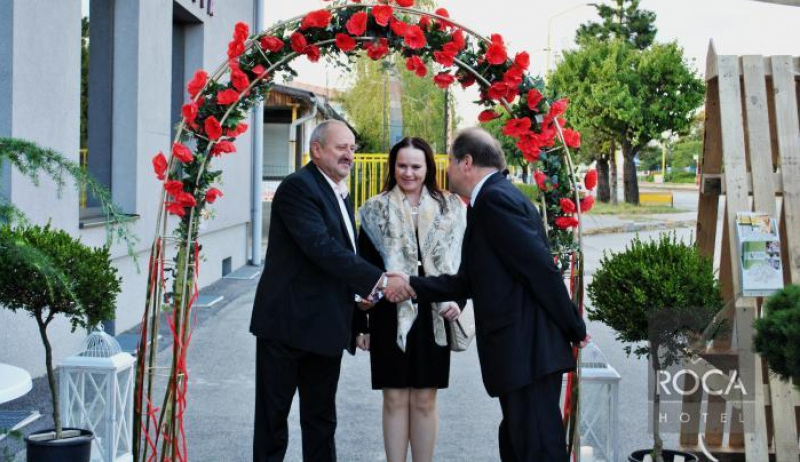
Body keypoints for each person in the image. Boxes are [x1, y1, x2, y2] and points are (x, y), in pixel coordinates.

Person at [384, 127, 590, 462]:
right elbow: (468, 281)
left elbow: (540, 269)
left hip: (528, 352)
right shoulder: (490, 199)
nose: (446, 169)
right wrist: (410, 284)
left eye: (450, 161)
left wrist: (574, 328)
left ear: (467, 162)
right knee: (517, 441)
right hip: (523, 356)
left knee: (536, 447)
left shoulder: (495, 201)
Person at [249, 119, 401, 462]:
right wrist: (379, 280)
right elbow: (320, 247)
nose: (349, 154)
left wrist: (362, 307)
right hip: (287, 328)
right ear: (316, 150)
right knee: (273, 423)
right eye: (340, 147)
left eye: (352, 148)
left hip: (325, 328)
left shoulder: (336, 191)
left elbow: (345, 255)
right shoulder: (297, 188)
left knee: (321, 421)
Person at [354, 137, 467, 462]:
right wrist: (361, 321)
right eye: (402, 165)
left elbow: (463, 262)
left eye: (416, 166)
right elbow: (363, 267)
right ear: (393, 167)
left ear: (428, 167)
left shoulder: (450, 207)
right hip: (389, 313)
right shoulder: (375, 209)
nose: (408, 172)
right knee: (393, 398)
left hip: (435, 313)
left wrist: (458, 300)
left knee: (425, 399)